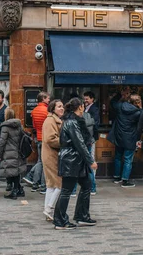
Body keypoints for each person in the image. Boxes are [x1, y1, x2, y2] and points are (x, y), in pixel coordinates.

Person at [53, 98, 98, 230]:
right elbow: (79, 143)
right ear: (80, 107)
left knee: (86, 185)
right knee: (66, 190)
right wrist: (91, 161)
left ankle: (81, 215)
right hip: (71, 160)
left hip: (76, 160)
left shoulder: (74, 121)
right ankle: (60, 220)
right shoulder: (72, 122)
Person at [110, 88, 142, 188]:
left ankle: (116, 177)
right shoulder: (138, 112)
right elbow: (140, 126)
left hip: (119, 136)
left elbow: (112, 102)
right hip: (130, 138)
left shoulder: (120, 106)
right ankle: (125, 181)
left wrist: (120, 94)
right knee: (128, 159)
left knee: (118, 157)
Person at [0, 107, 27, 200]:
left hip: (8, 152)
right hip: (18, 151)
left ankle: (14, 192)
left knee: (11, 172)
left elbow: (2, 142)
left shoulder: (5, 127)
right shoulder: (19, 125)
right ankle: (19, 190)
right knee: (16, 171)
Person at [23, 91, 49, 193]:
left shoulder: (34, 111)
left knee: (39, 161)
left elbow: (34, 126)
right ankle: (43, 186)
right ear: (43, 99)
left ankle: (34, 183)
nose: (49, 100)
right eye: (47, 98)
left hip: (38, 137)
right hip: (46, 138)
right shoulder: (47, 110)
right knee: (44, 163)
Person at [42, 100, 64, 221]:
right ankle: (49, 208)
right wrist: (65, 142)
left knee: (51, 185)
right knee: (59, 184)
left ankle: (48, 210)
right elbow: (51, 139)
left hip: (51, 155)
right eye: (59, 106)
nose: (62, 108)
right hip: (51, 156)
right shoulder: (50, 121)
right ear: (53, 109)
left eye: (62, 106)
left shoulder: (53, 120)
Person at [83, 91, 100, 195]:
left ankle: (92, 184)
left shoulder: (94, 109)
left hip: (90, 139)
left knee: (91, 159)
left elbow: (95, 123)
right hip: (88, 139)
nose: (85, 100)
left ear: (92, 99)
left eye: (87, 99)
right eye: (84, 99)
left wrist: (92, 136)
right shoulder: (86, 108)